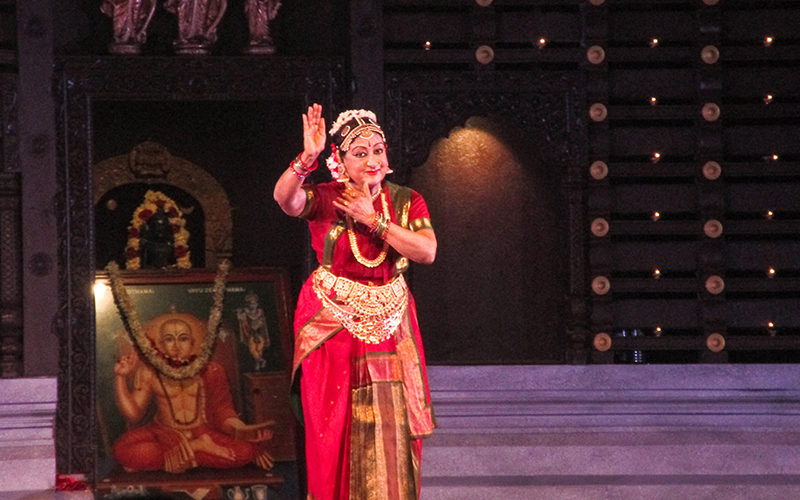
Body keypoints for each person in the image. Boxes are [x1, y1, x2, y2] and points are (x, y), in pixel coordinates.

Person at [273, 104, 436, 500]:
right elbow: (285, 200)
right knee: (334, 427)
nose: (372, 161)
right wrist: (306, 158)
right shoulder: (328, 198)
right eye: (360, 153)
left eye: (378, 150)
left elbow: (426, 251)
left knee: (392, 421)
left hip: (390, 322)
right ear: (341, 162)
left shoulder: (407, 200)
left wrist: (374, 220)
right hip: (332, 322)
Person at [112, 314, 274, 473]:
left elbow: (222, 411)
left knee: (245, 451)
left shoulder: (211, 371)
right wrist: (121, 377)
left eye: (183, 339)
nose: (176, 346)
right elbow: (133, 415)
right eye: (169, 339)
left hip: (203, 432)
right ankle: (196, 448)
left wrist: (243, 432)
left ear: (192, 343)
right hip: (163, 433)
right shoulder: (150, 372)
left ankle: (177, 456)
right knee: (121, 449)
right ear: (160, 344)